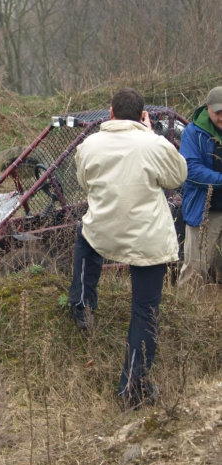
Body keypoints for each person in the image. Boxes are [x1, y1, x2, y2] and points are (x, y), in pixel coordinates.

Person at [68, 88, 187, 409]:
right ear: (143, 116)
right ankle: (133, 388)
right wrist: (152, 136)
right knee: (145, 311)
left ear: (109, 113)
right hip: (146, 239)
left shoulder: (88, 144)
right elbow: (178, 176)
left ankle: (81, 304)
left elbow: (84, 181)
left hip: (104, 230)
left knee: (85, 234)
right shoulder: (154, 143)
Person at [177, 86, 222, 289]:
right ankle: (185, 315)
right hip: (204, 211)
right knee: (195, 270)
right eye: (218, 112)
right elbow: (191, 170)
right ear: (208, 108)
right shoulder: (193, 133)